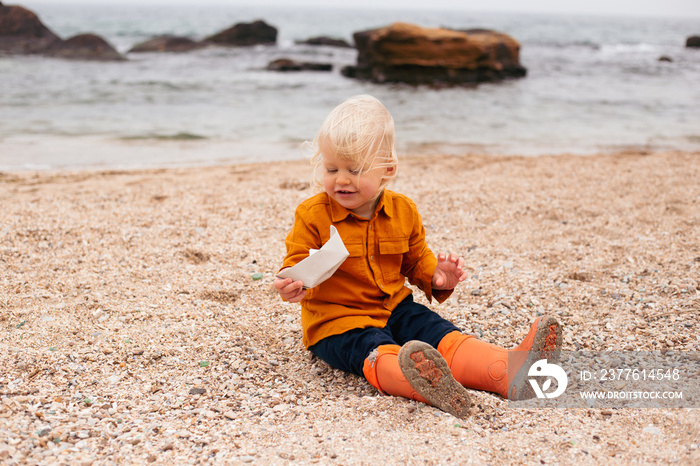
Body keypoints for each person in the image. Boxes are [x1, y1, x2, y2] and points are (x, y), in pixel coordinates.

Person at [274, 95, 562, 418]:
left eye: (354, 170)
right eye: (331, 168)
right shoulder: (312, 214)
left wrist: (437, 275)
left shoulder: (403, 211)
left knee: (439, 333)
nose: (340, 179)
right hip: (337, 323)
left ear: (388, 169)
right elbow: (296, 260)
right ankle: (422, 385)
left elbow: (415, 261)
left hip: (395, 307)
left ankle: (508, 371)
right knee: (373, 349)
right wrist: (290, 281)